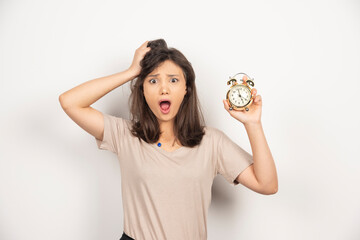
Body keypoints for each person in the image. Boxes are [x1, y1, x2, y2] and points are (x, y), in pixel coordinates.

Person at [59, 39, 278, 240]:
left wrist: (253, 124)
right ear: (143, 90)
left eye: (173, 80)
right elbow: (70, 102)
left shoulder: (211, 141)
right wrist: (131, 71)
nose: (164, 88)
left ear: (186, 89)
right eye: (153, 81)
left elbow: (267, 184)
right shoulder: (125, 135)